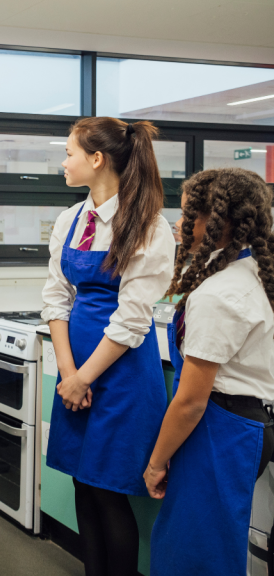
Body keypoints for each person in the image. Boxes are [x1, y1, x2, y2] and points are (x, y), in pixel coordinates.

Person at [42, 118, 174, 576]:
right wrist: (67, 372)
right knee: (83, 484)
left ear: (97, 160)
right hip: (74, 367)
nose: (63, 162)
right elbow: (56, 299)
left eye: (70, 153)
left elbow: (132, 319)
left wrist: (83, 377)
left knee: (107, 491)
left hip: (119, 376)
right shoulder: (71, 219)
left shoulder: (149, 226)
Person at [145, 168, 274, 575]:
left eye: (188, 215)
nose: (179, 224)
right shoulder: (253, 272)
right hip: (246, 423)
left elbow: (190, 403)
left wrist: (156, 463)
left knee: (197, 554)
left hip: (223, 429)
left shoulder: (220, 295)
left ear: (219, 221)